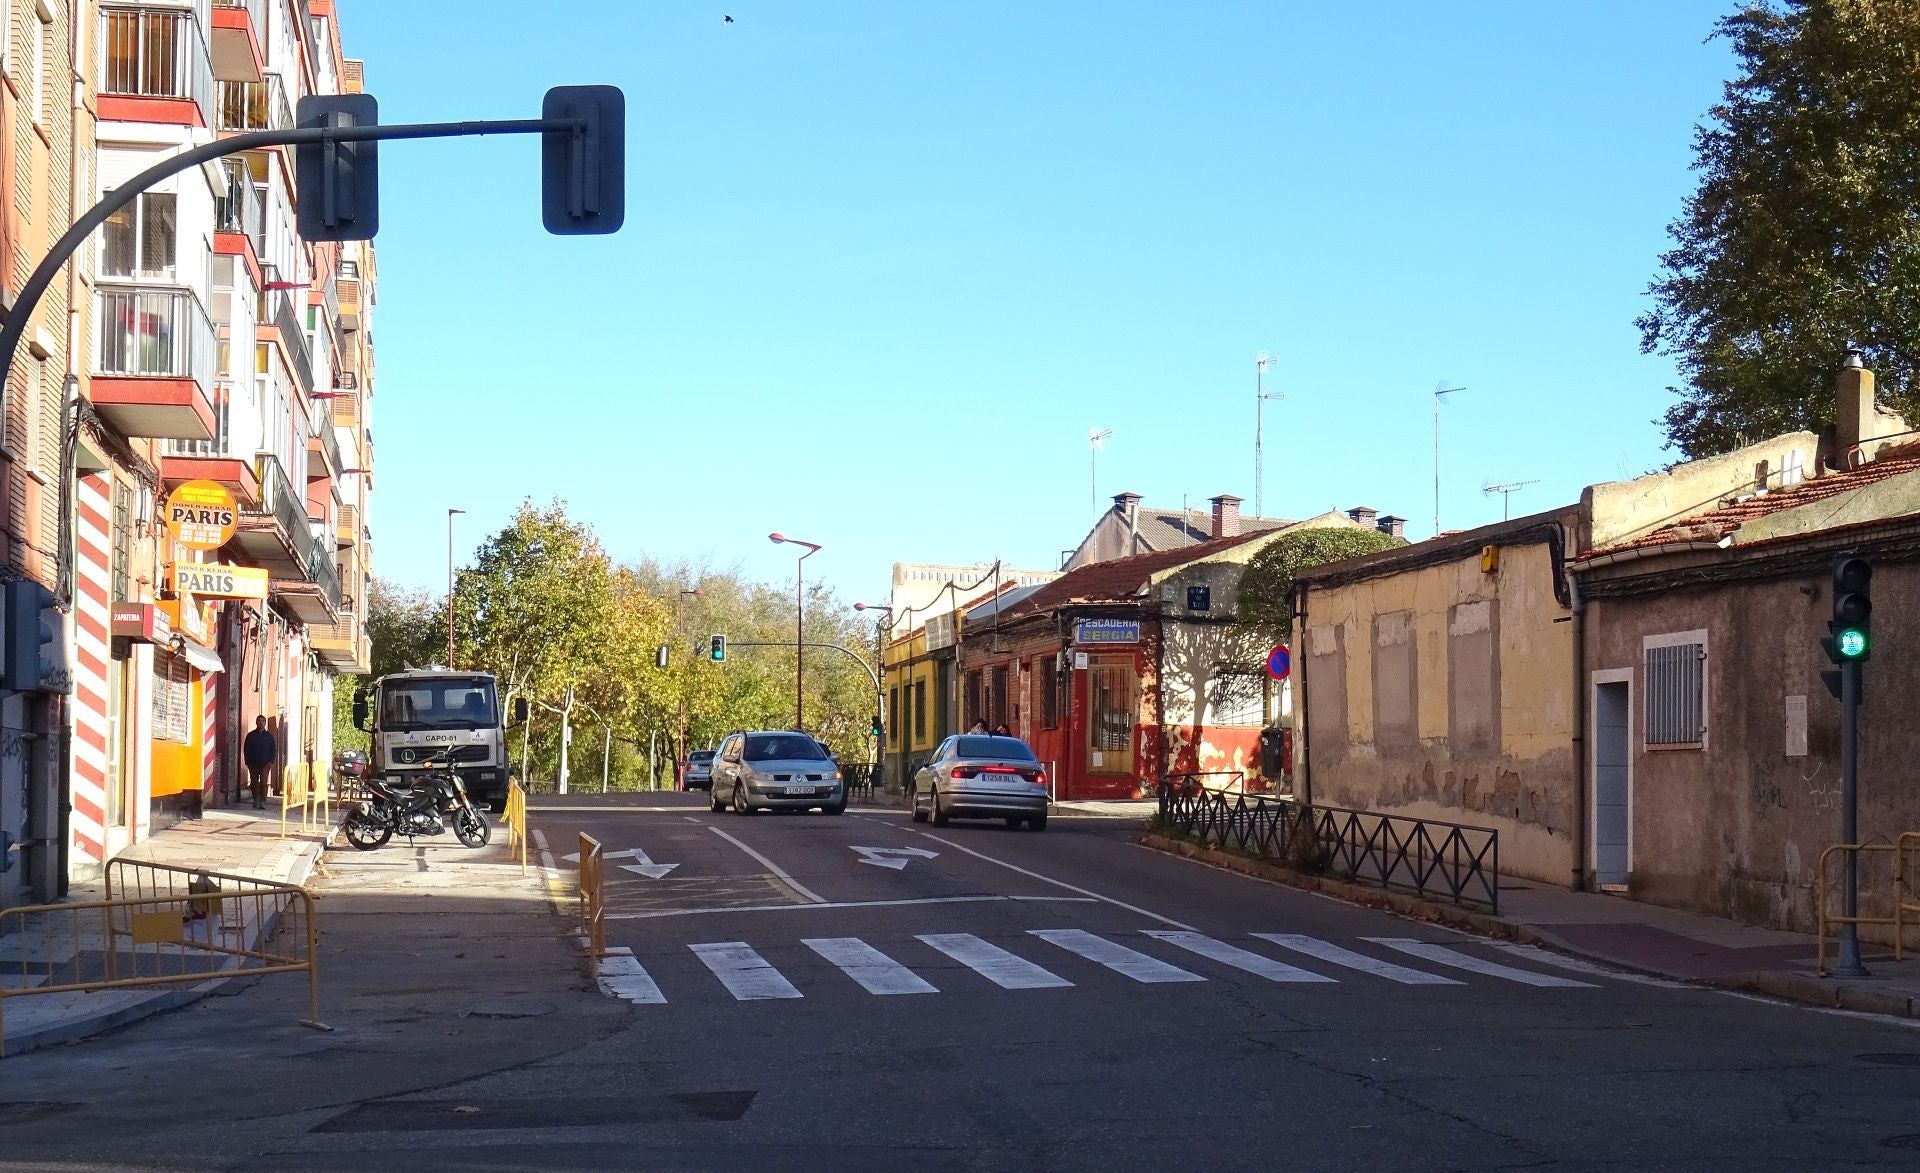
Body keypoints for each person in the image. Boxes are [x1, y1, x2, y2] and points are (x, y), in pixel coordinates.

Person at [243, 716, 277, 811]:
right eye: (259, 721)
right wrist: (248, 761)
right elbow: (246, 749)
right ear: (256, 722)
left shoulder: (269, 737)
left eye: (263, 721)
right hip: (253, 763)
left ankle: (263, 801)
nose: (261, 723)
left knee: (263, 783)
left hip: (265, 764)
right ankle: (256, 799)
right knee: (254, 782)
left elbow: (273, 750)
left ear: (265, 723)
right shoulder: (251, 736)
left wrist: (271, 762)